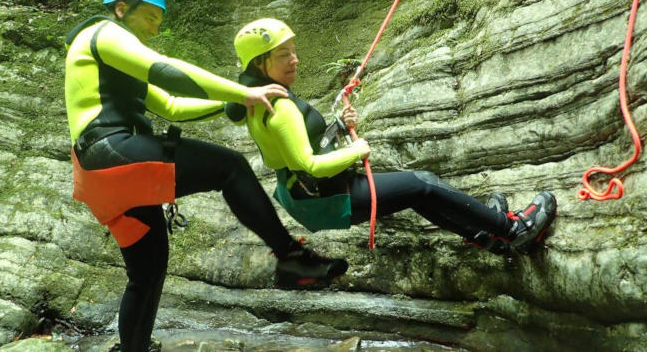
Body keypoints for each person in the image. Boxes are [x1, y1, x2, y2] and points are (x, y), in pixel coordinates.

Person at [64, 0, 348, 352]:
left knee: (147, 272)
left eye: (157, 21)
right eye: (149, 17)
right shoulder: (104, 32)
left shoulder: (115, 63)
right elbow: (166, 71)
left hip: (99, 174)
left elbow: (171, 106)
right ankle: (292, 259)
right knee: (229, 167)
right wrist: (244, 90)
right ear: (121, 9)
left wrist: (233, 102)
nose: (154, 28)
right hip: (111, 152)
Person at [226, 18, 557, 256]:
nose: (295, 59)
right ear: (259, 63)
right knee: (422, 182)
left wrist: (338, 127)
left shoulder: (256, 99)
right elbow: (309, 164)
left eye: (293, 51)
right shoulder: (280, 107)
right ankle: (513, 230)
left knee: (417, 193)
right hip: (328, 197)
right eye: (283, 55)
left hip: (311, 195)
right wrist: (357, 149)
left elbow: (293, 150)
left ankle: (484, 234)